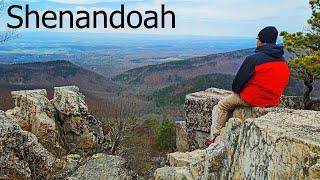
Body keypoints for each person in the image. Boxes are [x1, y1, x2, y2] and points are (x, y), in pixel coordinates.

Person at [206, 26, 290, 146]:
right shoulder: (282, 60)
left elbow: (236, 86)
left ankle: (214, 138)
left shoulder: (253, 59)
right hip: (273, 100)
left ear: (260, 41)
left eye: (257, 38)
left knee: (222, 106)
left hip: (252, 99)